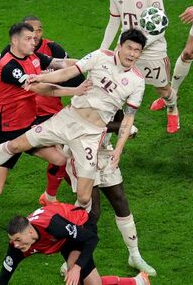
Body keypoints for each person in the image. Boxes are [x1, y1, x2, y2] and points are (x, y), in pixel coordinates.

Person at [0, 29, 148, 262]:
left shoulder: (136, 81)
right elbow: (65, 73)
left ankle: (61, 225)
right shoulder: (99, 56)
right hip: (54, 120)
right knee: (10, 156)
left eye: (137, 51)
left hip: (89, 135)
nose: (133, 54)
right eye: (130, 48)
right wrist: (41, 78)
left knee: (81, 194)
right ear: (120, 45)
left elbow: (127, 117)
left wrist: (119, 149)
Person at [0, 22, 89, 265]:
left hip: (27, 128)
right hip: (3, 133)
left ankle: (48, 197)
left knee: (59, 159)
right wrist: (76, 91)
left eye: (34, 38)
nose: (33, 41)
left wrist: (91, 63)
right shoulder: (10, 66)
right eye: (28, 38)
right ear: (14, 41)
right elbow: (44, 89)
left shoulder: (33, 56)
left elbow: (60, 63)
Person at [49, 110, 156, 276]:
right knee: (92, 211)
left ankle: (135, 256)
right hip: (82, 153)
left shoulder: (118, 94)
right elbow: (95, 125)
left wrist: (125, 130)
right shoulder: (93, 96)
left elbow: (120, 118)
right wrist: (125, 127)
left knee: (120, 201)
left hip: (104, 152)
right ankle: (73, 257)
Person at [0, 203, 150, 285]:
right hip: (62, 239)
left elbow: (91, 239)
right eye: (13, 240)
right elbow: (3, 277)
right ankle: (138, 281)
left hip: (81, 227)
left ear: (29, 232)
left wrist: (76, 268)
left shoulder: (53, 225)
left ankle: (138, 281)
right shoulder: (17, 248)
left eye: (18, 239)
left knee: (78, 277)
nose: (15, 245)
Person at [102, 0, 180, 133]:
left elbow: (160, 30)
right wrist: (103, 49)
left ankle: (172, 108)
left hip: (152, 51)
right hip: (126, 47)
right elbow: (113, 21)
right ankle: (115, 123)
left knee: (163, 90)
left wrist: (138, 45)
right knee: (115, 87)